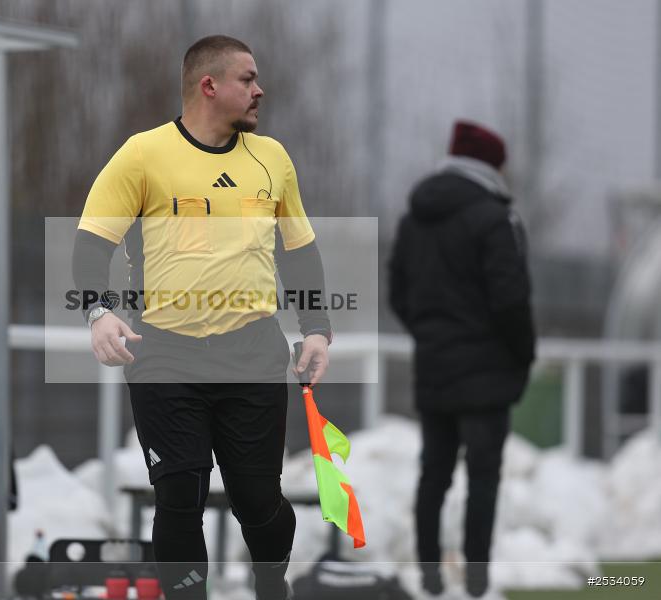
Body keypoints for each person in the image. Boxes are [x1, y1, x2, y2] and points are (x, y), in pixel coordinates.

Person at [73, 35, 332, 600]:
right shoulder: (143, 154)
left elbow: (299, 251)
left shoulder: (273, 159)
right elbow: (92, 244)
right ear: (209, 86)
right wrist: (99, 312)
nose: (259, 89)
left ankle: (271, 583)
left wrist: (316, 329)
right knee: (178, 494)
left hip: (253, 353)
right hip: (165, 352)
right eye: (248, 79)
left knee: (258, 501)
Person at [388, 120, 535, 599]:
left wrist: (431, 335)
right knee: (483, 477)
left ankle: (430, 576)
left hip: (435, 366)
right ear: (492, 166)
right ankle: (476, 581)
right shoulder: (494, 218)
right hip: (488, 372)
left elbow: (399, 293)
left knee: (434, 474)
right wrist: (522, 354)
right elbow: (511, 300)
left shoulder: (414, 218)